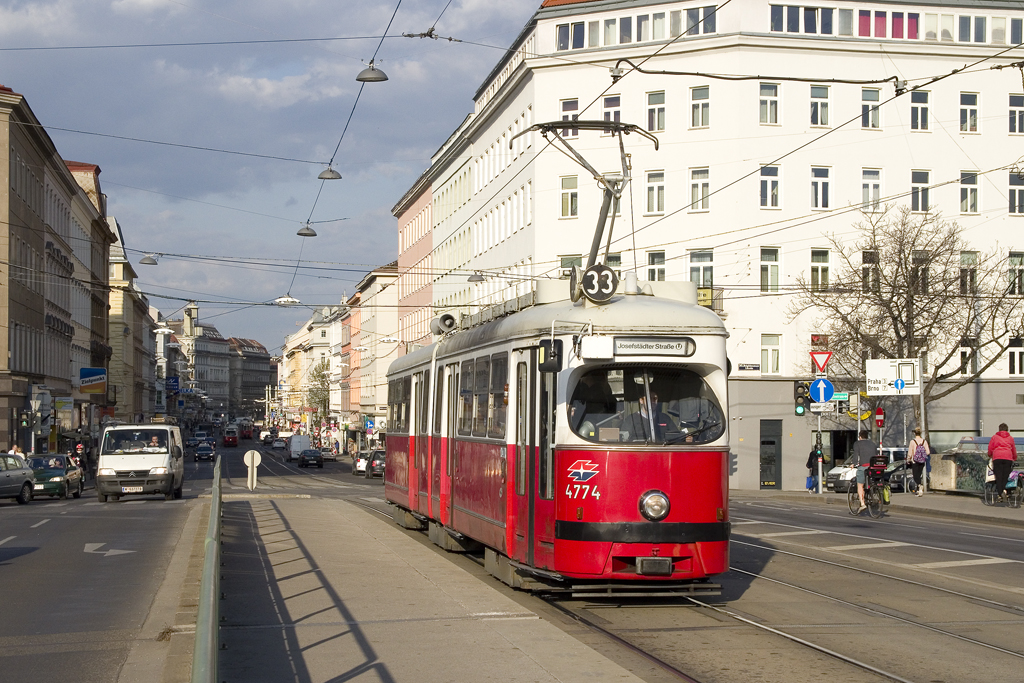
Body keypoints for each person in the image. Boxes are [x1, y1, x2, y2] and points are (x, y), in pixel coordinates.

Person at [847, 430, 877, 513]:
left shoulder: (857, 443)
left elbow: (856, 454)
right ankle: (872, 490)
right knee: (870, 481)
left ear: (860, 437)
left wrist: (853, 464)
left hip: (863, 467)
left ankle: (863, 504)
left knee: (860, 485)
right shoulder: (873, 444)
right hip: (873, 467)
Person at [987, 423, 1017, 502]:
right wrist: (1014, 457)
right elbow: (1013, 449)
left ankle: (1000, 493)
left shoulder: (994, 437)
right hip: (1008, 458)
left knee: (998, 476)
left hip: (997, 458)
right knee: (1005, 476)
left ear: (999, 429)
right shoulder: (1010, 438)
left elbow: (990, 448)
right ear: (1007, 430)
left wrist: (990, 455)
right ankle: (1003, 492)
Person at [907, 427, 930, 496]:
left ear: (914, 433)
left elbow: (910, 452)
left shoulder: (912, 442)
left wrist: (908, 459)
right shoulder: (924, 441)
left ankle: (920, 486)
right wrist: (922, 455)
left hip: (915, 461)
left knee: (915, 476)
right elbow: (928, 452)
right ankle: (919, 490)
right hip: (922, 461)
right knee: (919, 475)